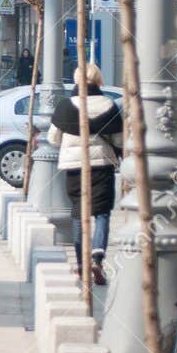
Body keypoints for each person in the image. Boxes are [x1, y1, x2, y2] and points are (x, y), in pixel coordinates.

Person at [47, 63, 122, 287]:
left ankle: (81, 265)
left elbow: (53, 139)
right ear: (98, 80)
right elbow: (118, 141)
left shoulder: (65, 106)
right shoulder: (109, 105)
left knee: (79, 214)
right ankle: (97, 257)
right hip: (102, 166)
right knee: (102, 213)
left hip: (74, 166)